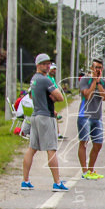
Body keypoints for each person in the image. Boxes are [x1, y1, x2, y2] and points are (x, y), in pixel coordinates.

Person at [21, 53, 68, 191]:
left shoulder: (34, 79)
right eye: (45, 64)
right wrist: (52, 97)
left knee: (32, 148)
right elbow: (60, 97)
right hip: (45, 117)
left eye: (49, 63)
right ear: (38, 65)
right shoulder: (45, 80)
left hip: (35, 115)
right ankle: (57, 182)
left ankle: (25, 180)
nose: (48, 66)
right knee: (51, 149)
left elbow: (31, 95)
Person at [78, 58, 105, 179]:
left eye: (100, 68)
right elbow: (87, 95)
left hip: (97, 117)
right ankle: (84, 170)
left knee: (98, 144)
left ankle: (91, 169)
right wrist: (93, 82)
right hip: (84, 115)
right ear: (92, 68)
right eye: (96, 67)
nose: (98, 70)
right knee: (84, 142)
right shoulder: (85, 80)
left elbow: (104, 97)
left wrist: (98, 83)